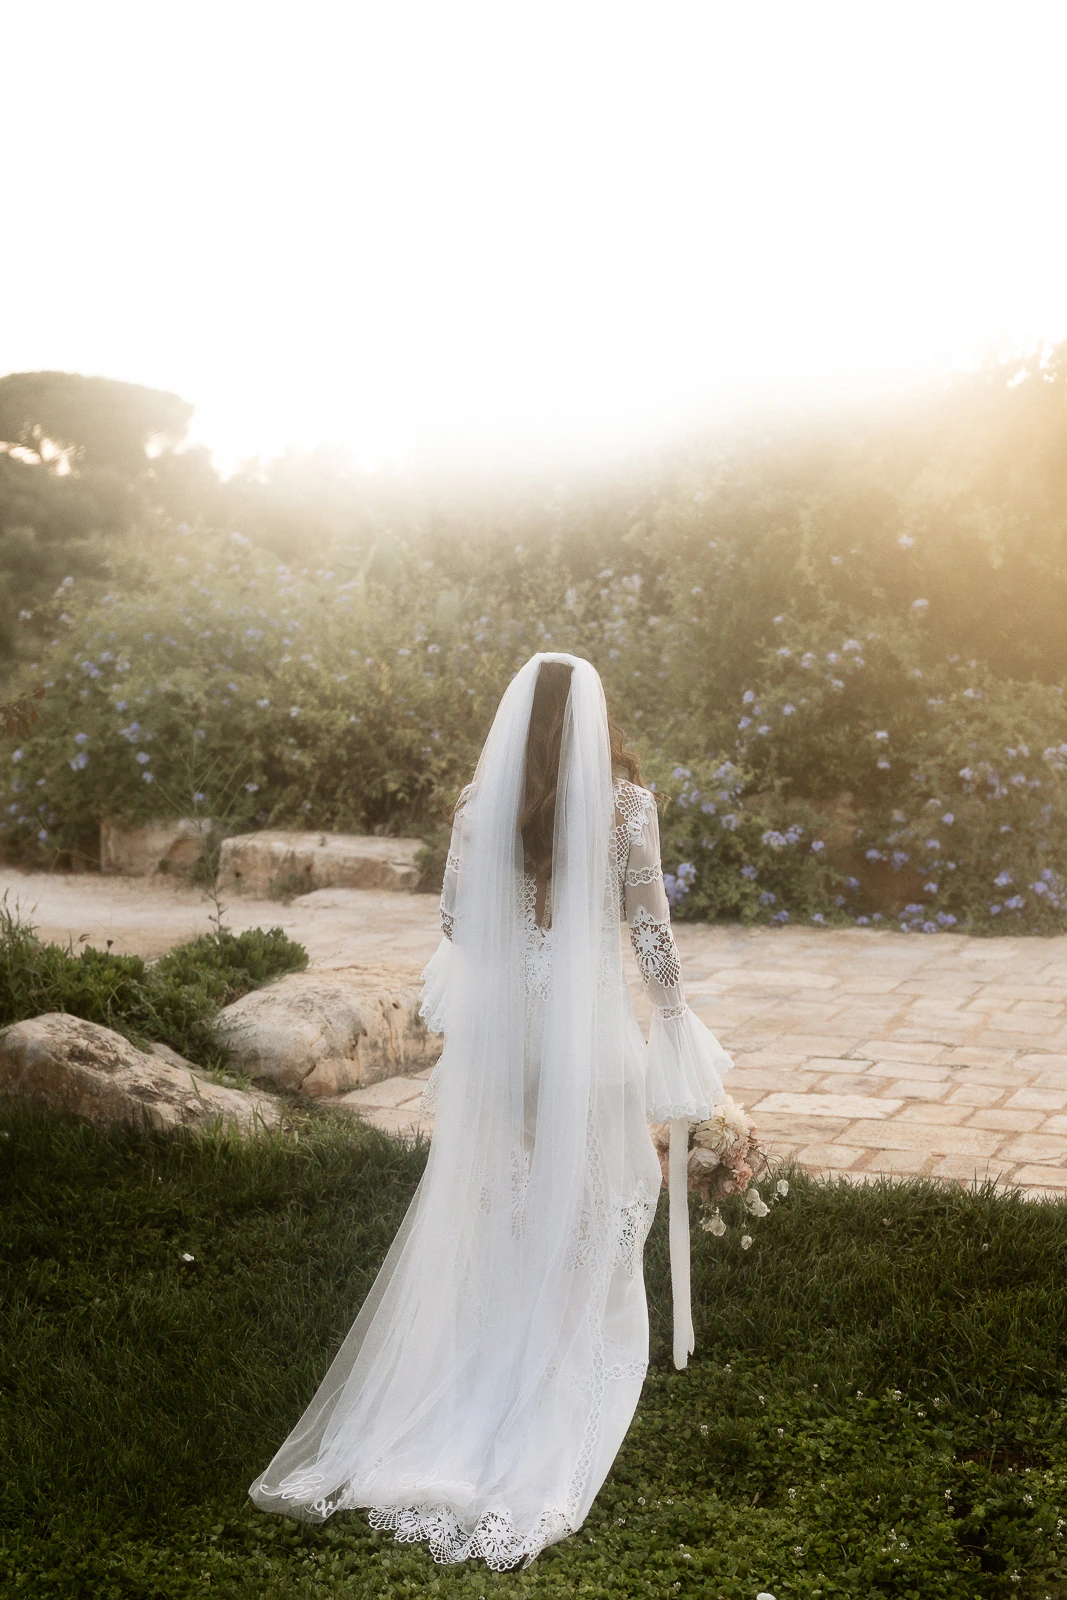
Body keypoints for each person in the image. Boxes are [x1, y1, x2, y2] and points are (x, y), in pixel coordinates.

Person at [248, 651, 733, 1570]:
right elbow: (650, 933)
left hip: (508, 1040)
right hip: (589, 1040)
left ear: (515, 724)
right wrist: (677, 1022)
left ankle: (490, 1357)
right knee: (600, 1200)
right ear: (595, 720)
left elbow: (456, 928)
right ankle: (558, 1363)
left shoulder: (479, 805)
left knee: (505, 1196)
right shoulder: (628, 805)